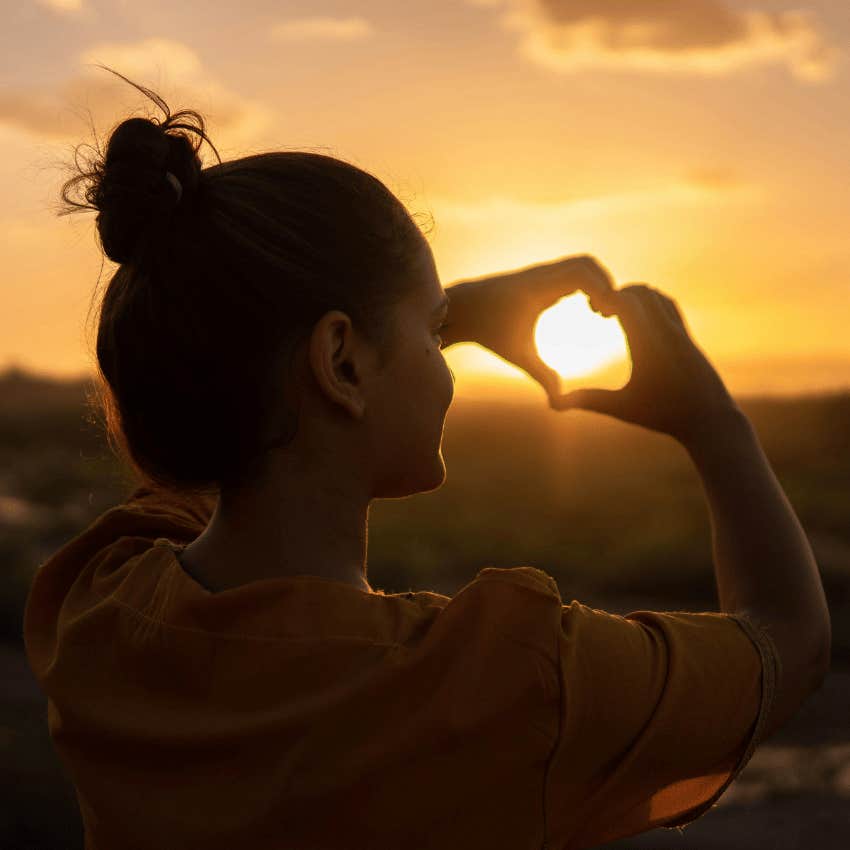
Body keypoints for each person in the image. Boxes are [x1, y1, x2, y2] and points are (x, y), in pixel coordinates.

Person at [23, 68, 831, 850]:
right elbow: (787, 641)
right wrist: (715, 423)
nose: (445, 358)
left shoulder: (98, 606)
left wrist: (421, 317)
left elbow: (232, 411)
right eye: (433, 328)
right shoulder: (507, 681)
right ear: (340, 362)